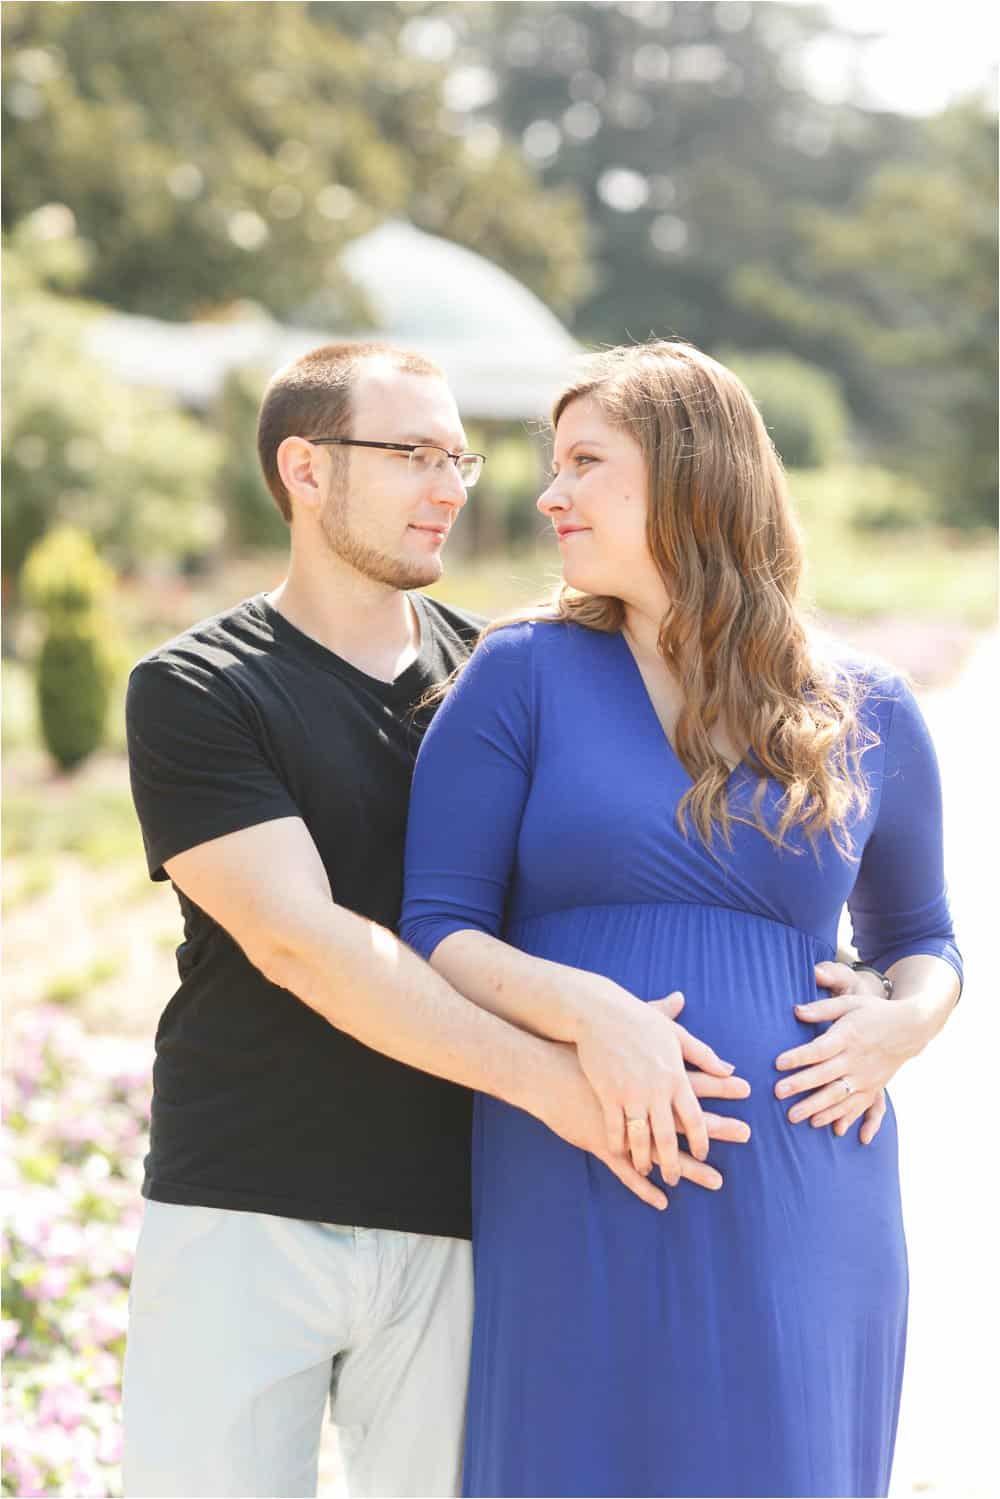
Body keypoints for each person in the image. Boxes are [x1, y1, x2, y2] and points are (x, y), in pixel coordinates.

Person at [121, 339, 762, 1499]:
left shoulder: (513, 674)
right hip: (244, 1200)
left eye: (459, 454)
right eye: (414, 453)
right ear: (305, 470)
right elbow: (299, 941)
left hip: (463, 1209)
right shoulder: (196, 685)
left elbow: (660, 856)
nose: (453, 485)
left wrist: (885, 976)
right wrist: (563, 1087)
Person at [400, 340, 963, 1499]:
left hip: (811, 1186)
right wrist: (588, 1009)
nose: (548, 492)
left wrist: (906, 1023)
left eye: (584, 462)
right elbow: (438, 926)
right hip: (579, 1157)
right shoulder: (520, 674)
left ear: (690, 471)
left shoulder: (866, 704)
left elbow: (927, 940)